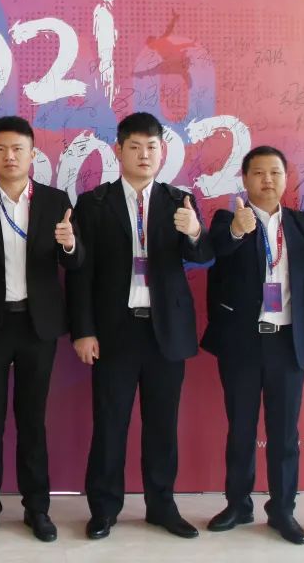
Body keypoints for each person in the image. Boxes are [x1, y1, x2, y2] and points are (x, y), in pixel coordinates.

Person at [67, 111, 213, 541]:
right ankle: (104, 508)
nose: (144, 154)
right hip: (115, 330)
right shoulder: (94, 203)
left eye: (152, 147)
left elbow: (203, 255)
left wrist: (194, 232)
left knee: (162, 426)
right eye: (135, 147)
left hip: (165, 332)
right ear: (119, 151)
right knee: (110, 424)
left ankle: (162, 506)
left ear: (161, 152)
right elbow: (80, 273)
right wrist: (83, 330)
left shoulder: (179, 200)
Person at [0, 115, 83, 544]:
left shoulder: (55, 201)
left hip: (37, 325)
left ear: (32, 154)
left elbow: (76, 263)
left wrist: (69, 243)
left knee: (32, 421)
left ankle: (37, 508)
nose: (9, 156)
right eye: (0, 149)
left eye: (17, 149)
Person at [201, 146, 304, 545]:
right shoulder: (227, 219)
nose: (267, 180)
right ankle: (238, 505)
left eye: (275, 172)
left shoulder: (301, 224)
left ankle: (283, 511)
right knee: (241, 429)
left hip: (288, 343)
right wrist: (237, 230)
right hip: (242, 344)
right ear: (244, 179)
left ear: (285, 177)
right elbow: (214, 251)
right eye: (258, 173)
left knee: (285, 434)